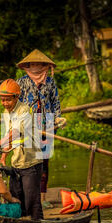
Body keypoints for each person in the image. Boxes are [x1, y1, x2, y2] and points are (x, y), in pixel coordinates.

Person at [16, 49, 66, 209]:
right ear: (28, 66)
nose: (36, 67)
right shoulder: (21, 83)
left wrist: (58, 117)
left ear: (44, 66)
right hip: (28, 127)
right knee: (29, 163)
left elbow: (55, 103)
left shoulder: (50, 82)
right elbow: (17, 105)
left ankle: (43, 198)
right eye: (33, 64)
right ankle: (29, 198)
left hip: (48, 125)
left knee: (44, 163)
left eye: (39, 64)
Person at [0, 79, 44, 220]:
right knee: (16, 196)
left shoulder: (24, 110)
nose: (5, 103)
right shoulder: (6, 113)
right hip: (16, 162)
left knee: (32, 200)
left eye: (7, 100)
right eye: (2, 100)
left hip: (31, 162)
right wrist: (4, 155)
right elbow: (9, 135)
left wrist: (0, 142)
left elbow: (16, 131)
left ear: (16, 97)